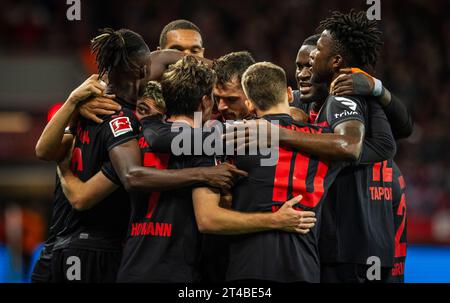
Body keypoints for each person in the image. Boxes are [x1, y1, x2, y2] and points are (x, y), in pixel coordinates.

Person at [34, 28, 236, 283]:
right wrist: (203, 174)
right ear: (143, 71)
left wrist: (73, 103)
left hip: (56, 245)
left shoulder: (92, 104)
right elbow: (92, 193)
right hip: (95, 251)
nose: (178, 57)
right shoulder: (126, 122)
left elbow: (43, 150)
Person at [223, 62, 344, 282]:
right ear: (289, 94)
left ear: (249, 104)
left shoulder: (232, 140)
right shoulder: (326, 143)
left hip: (248, 268)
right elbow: (379, 146)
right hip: (302, 267)